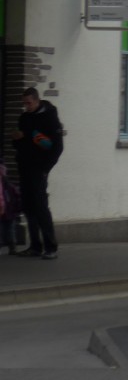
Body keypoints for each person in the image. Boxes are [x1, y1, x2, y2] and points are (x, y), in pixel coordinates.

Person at [10, 87, 64, 259]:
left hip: (39, 168)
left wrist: (45, 168)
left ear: (37, 100)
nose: (26, 106)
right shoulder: (25, 117)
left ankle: (51, 247)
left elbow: (56, 147)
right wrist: (17, 139)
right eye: (24, 103)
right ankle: (35, 246)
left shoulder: (49, 117)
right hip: (25, 166)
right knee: (28, 206)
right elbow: (20, 143)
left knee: (41, 206)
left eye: (29, 103)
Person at [0, 162, 21, 255]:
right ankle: (12, 246)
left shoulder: (9, 187)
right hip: (9, 211)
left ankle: (12, 246)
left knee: (7, 229)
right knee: (9, 229)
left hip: (8, 211)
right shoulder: (10, 186)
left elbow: (16, 198)